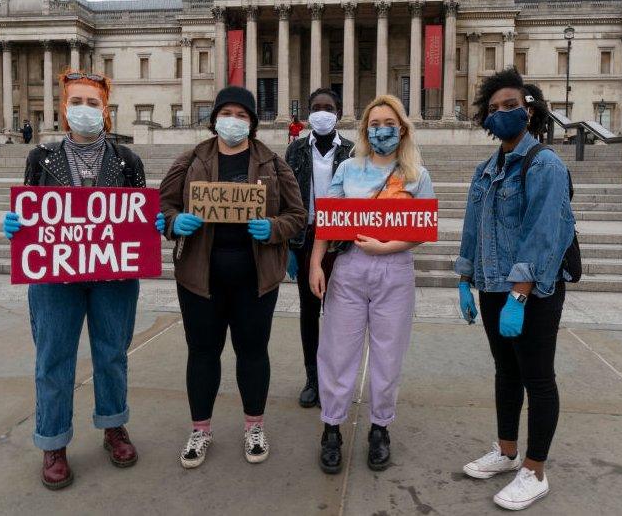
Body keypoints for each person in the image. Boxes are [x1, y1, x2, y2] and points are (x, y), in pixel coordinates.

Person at [1, 70, 164, 491]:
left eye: (93, 103)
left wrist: (152, 223)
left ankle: (114, 426)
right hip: (55, 277)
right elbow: (32, 207)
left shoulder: (128, 161)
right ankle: (53, 442)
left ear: (105, 111)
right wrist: (17, 225)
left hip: (113, 274)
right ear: (63, 107)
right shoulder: (42, 158)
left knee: (112, 353)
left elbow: (139, 216)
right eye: (77, 102)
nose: (84, 110)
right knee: (53, 357)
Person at [159, 86, 306, 469]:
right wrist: (176, 222)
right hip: (199, 276)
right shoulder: (190, 159)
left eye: (242, 115)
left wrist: (273, 228)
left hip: (255, 278)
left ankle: (254, 426)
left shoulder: (273, 163)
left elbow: (297, 214)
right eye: (228, 113)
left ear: (252, 122)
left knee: (253, 352)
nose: (234, 121)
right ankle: (200, 429)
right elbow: (164, 206)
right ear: (215, 119)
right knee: (203, 352)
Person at [456, 68, 575, 511]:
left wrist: (519, 295)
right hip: (490, 285)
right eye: (493, 109)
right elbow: (472, 229)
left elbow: (544, 234)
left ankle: (534, 469)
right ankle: (506, 452)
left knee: (538, 378)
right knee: (505, 372)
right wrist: (465, 279)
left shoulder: (545, 164)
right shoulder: (486, 169)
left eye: (511, 105)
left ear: (530, 110)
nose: (502, 113)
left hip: (534, 291)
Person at [308, 94, 434, 474]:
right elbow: (327, 222)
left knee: (388, 354)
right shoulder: (347, 169)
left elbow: (422, 231)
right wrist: (316, 262)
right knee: (336, 351)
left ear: (402, 129)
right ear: (365, 130)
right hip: (348, 268)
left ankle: (380, 427)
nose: (382, 130)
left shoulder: (416, 174)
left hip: (394, 270)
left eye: (389, 124)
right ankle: (332, 426)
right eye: (374, 124)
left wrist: (386, 245)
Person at [283, 88, 354, 409]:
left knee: (340, 314)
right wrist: (287, 245)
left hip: (342, 241)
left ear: (338, 113)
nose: (321, 112)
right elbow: (285, 198)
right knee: (309, 311)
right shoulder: (295, 150)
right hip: (306, 238)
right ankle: (313, 377)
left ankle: (336, 377)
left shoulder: (353, 152)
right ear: (308, 112)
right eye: (316, 107)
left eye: (327, 107)